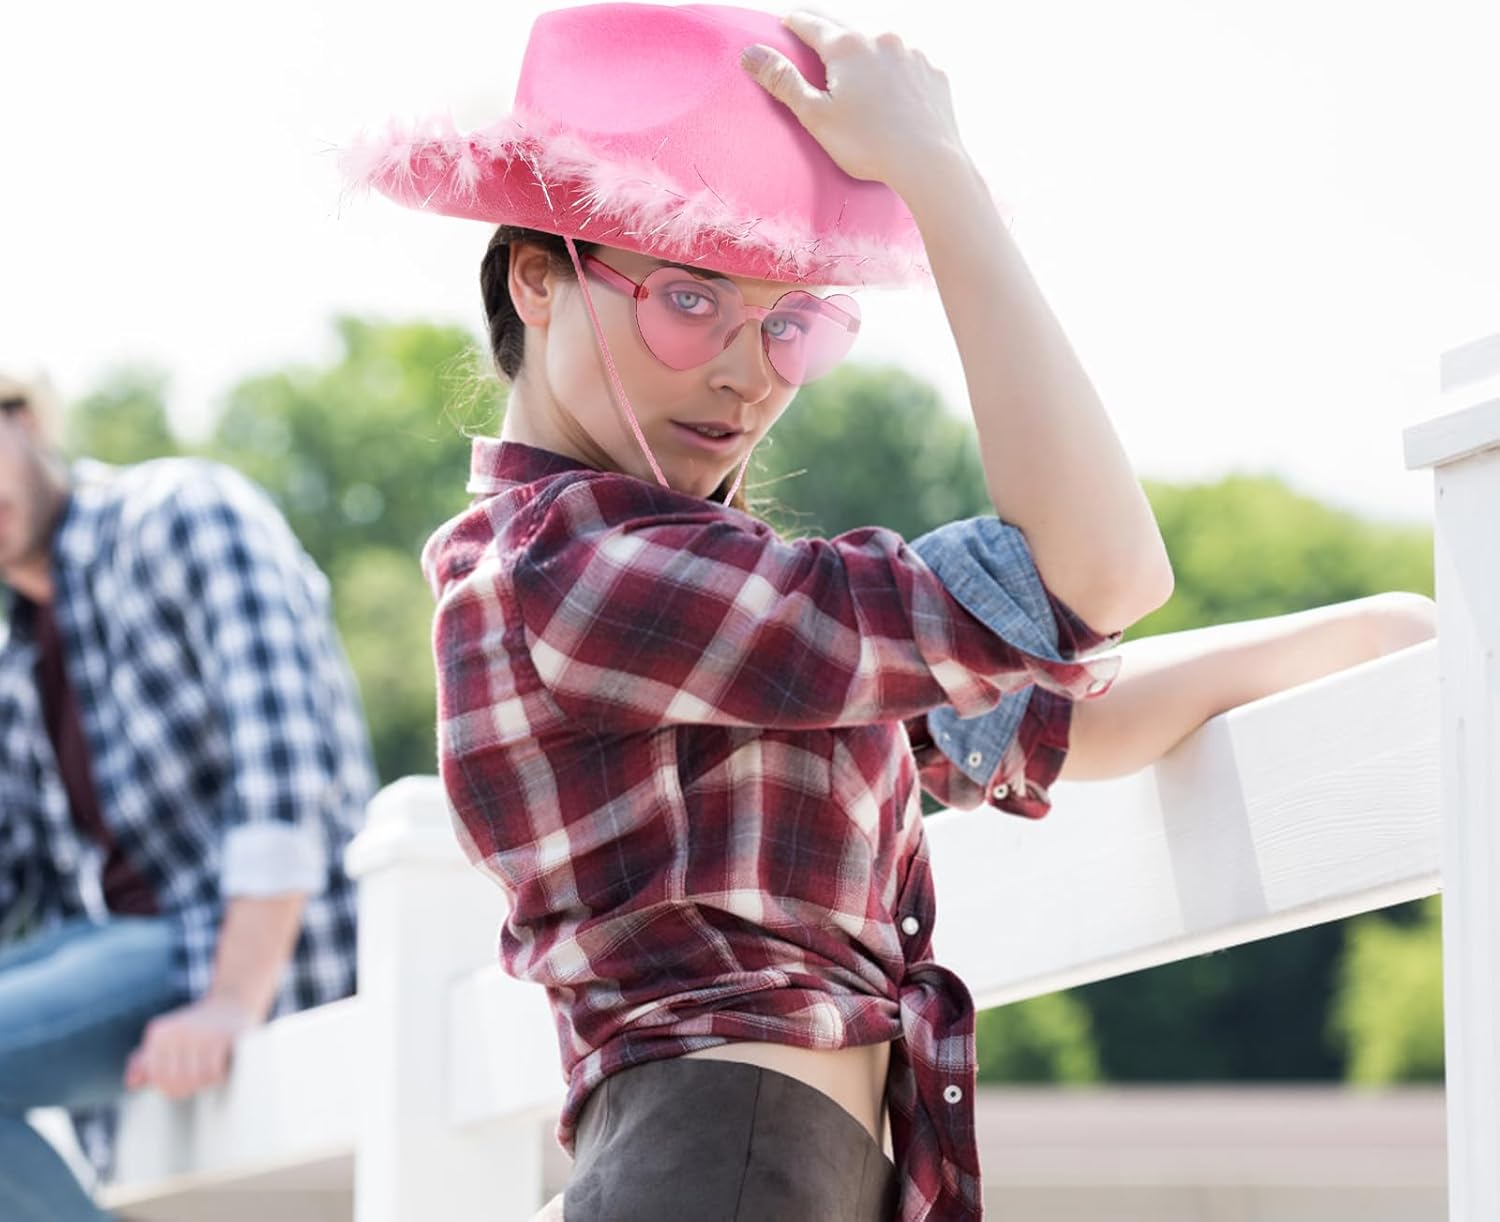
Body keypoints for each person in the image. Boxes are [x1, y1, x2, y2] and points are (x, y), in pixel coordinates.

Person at [348, 6, 1435, 1219]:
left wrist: (1377, 635)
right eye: (689, 299)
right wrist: (938, 177)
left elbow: (1046, 713)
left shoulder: (694, 616)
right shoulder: (577, 574)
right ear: (536, 279)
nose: (746, 371)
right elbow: (1097, 573)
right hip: (726, 1169)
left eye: (791, 323)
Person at [0, 369, 377, 1220]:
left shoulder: (182, 514)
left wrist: (230, 1000)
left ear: (21, 420)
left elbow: (283, 767)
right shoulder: (17, 665)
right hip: (111, 959)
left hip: (238, 950)